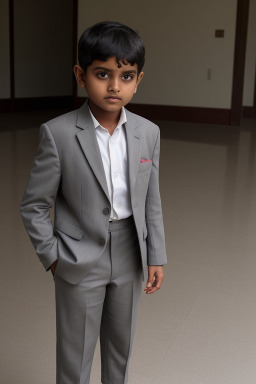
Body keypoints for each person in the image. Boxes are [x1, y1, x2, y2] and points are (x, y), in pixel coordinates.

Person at [20, 21, 167, 384]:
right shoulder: (58, 133)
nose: (115, 86)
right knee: (76, 354)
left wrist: (156, 254)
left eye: (127, 76)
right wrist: (53, 257)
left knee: (121, 350)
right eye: (102, 74)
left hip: (131, 252)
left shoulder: (148, 132)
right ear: (80, 75)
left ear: (138, 79)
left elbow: (151, 198)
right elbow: (34, 205)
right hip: (79, 255)